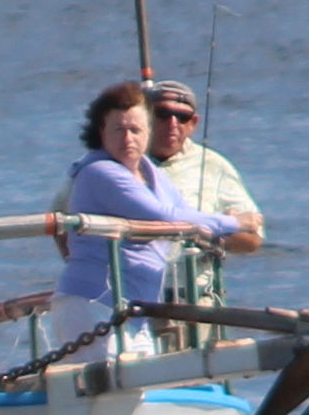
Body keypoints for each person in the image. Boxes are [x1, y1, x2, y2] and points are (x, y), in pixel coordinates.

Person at [51, 80, 241, 358]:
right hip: (94, 304)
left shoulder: (151, 173)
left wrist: (217, 225)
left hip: (135, 310)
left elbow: (187, 213)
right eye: (119, 130)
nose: (128, 139)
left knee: (148, 389)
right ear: (101, 132)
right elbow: (163, 216)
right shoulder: (99, 172)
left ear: (149, 132)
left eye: (136, 130)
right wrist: (236, 222)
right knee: (113, 389)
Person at [146, 77, 263, 320]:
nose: (172, 123)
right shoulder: (120, 161)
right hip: (136, 302)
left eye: (182, 117)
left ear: (193, 123)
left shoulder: (214, 165)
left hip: (197, 300)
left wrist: (219, 237)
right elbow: (64, 219)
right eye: (163, 114)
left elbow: (253, 239)